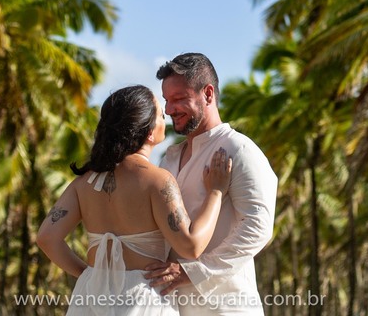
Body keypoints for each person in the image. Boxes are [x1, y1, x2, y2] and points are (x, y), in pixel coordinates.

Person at [37, 85, 234, 316]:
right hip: (142, 300)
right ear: (149, 133)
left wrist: (87, 273)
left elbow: (46, 238)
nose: (166, 117)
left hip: (90, 297)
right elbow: (190, 246)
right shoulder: (157, 180)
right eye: (161, 114)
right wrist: (216, 192)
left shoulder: (83, 183)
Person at [145, 54, 277, 316]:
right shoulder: (168, 158)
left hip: (227, 308)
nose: (169, 110)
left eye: (179, 99)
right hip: (173, 308)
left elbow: (259, 227)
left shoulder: (238, 149)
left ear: (207, 94)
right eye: (167, 100)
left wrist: (194, 273)